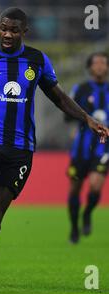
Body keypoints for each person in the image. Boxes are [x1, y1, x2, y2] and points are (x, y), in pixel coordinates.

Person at [0, 7, 109, 284]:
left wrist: (86, 118)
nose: (7, 34)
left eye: (14, 30)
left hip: (20, 148)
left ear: (25, 31)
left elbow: (58, 97)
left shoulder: (36, 60)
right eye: (3, 28)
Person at [66, 52, 109, 244]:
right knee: (75, 189)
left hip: (103, 147)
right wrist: (77, 126)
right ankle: (75, 228)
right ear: (90, 67)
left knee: (95, 185)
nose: (100, 66)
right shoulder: (81, 89)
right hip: (81, 147)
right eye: (96, 62)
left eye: (103, 63)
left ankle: (88, 213)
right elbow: (67, 113)